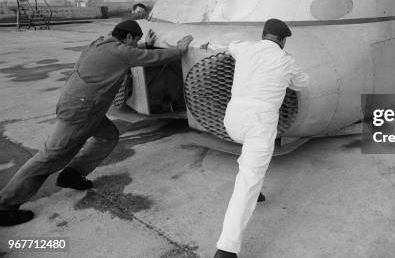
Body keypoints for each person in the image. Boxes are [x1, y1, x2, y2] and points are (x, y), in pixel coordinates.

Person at [0, 20, 193, 227]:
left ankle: (72, 175)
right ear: (127, 37)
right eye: (135, 40)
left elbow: (130, 54)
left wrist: (143, 45)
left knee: (108, 136)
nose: (136, 43)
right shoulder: (121, 53)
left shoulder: (99, 43)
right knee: (51, 156)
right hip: (81, 111)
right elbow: (153, 58)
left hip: (81, 105)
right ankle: (5, 205)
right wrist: (179, 50)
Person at [205, 18, 309, 258]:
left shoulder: (244, 47)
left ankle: (256, 189)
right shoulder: (285, 60)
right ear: (283, 41)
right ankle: (226, 249)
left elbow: (226, 46)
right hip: (259, 123)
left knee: (250, 159)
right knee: (248, 180)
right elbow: (303, 83)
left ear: (263, 35)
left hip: (232, 120)